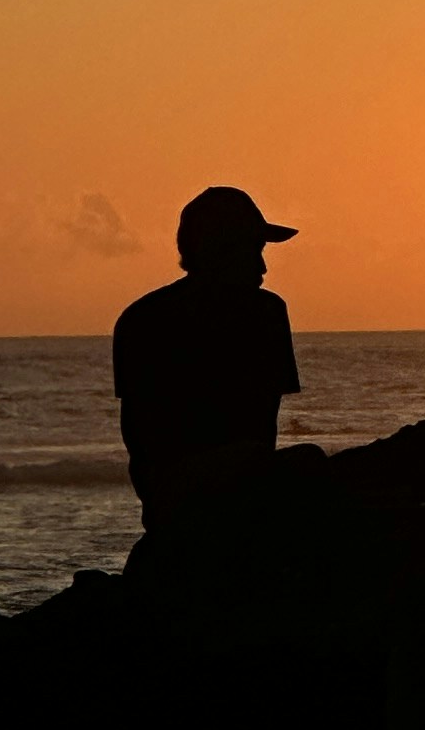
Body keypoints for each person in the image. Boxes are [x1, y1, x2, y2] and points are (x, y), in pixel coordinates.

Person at [112, 186, 301, 529]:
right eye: (253, 251)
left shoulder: (139, 318)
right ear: (221, 251)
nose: (262, 267)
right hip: (191, 497)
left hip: (175, 499)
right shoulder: (266, 313)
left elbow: (138, 442)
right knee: (309, 465)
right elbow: (262, 429)